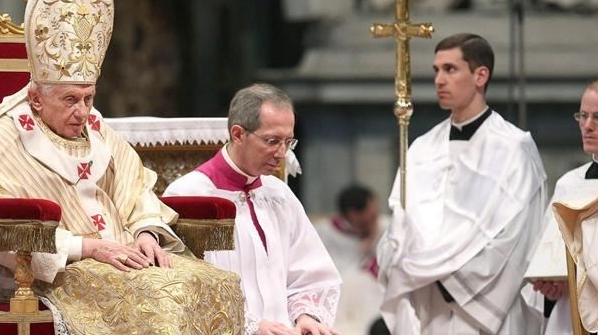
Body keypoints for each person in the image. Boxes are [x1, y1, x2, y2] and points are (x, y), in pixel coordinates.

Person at [0, 0, 243, 334]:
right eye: (70, 100)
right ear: (36, 98)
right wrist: (86, 247)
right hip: (49, 273)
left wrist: (146, 232)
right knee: (162, 296)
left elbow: (135, 190)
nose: (83, 111)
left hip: (122, 257)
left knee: (216, 283)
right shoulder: (0, 140)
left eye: (89, 98)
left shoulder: (97, 131)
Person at [376, 33, 548, 334]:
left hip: (487, 311)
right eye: (436, 70)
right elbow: (401, 220)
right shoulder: (421, 148)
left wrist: (446, 277)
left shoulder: (513, 148)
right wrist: (399, 251)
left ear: (480, 75)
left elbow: (519, 237)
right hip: (430, 308)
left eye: (450, 69)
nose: (439, 80)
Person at [163, 83, 342, 335]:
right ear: (238, 134)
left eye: (288, 142)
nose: (282, 153)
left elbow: (310, 274)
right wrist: (249, 326)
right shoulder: (189, 197)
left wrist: (306, 316)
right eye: (272, 141)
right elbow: (183, 290)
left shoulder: (279, 195)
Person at [526, 76, 598, 334]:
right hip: (567, 319)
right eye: (583, 116)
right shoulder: (569, 183)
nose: (587, 126)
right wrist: (550, 288)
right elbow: (547, 257)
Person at [313, 184, 387, 334]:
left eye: (374, 216)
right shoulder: (324, 232)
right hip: (341, 293)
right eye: (364, 222)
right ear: (348, 215)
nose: (372, 223)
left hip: (375, 291)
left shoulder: (386, 227)